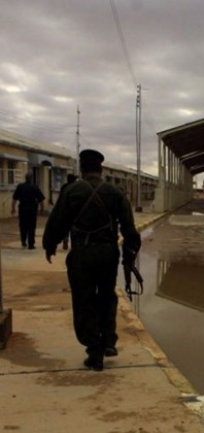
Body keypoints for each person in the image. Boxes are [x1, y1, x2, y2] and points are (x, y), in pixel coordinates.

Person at [42, 149, 141, 371]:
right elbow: (129, 229)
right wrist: (129, 257)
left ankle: (94, 349)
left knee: (84, 300)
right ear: (101, 169)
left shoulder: (72, 191)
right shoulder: (114, 192)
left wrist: (50, 245)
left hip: (81, 254)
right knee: (107, 297)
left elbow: (57, 221)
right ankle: (108, 341)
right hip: (107, 254)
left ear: (82, 169)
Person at [11, 172, 46, 249]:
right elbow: (41, 200)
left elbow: (14, 198)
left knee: (23, 225)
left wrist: (13, 208)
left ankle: (23, 241)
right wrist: (42, 210)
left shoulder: (20, 187)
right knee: (31, 226)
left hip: (23, 208)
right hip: (32, 209)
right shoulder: (34, 187)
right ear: (31, 179)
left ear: (25, 178)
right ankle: (31, 244)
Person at [59, 173, 78, 250]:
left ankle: (65, 239)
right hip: (74, 211)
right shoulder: (77, 187)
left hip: (65, 210)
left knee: (65, 227)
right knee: (74, 228)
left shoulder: (64, 187)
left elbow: (61, 199)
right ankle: (74, 242)